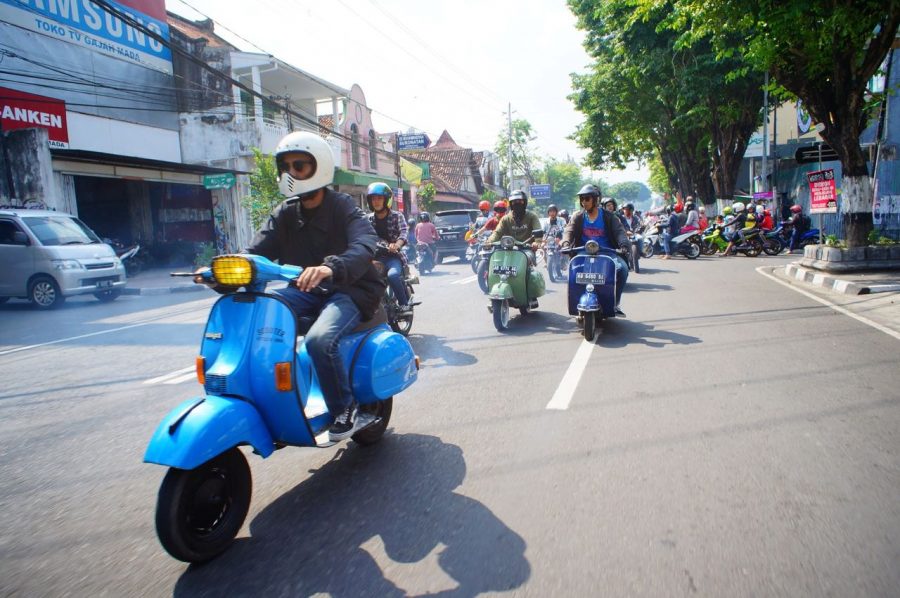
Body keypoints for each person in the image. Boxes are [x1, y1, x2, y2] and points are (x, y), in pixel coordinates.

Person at [198, 131, 385, 441]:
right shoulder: (285, 212)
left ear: (319, 166)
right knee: (260, 319)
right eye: (285, 167)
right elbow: (254, 253)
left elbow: (365, 244)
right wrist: (221, 271)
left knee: (319, 340)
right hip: (305, 291)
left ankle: (344, 407)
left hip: (348, 290)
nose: (290, 174)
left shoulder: (343, 206)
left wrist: (330, 267)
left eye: (299, 166)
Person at [562, 184, 629, 316]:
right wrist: (565, 243)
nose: (584, 202)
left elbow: (619, 232)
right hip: (583, 252)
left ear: (596, 200)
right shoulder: (578, 216)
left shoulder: (609, 217)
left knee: (623, 270)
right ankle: (576, 300)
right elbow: (569, 230)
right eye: (582, 199)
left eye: (587, 198)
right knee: (573, 273)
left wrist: (623, 244)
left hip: (607, 253)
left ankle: (615, 302)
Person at [365, 182, 412, 314]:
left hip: (394, 257)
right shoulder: (368, 219)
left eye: (379, 198)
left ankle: (404, 305)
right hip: (375, 258)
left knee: (392, 276)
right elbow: (365, 234)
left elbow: (404, 231)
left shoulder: (397, 216)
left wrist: (397, 244)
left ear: (386, 200)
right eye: (373, 198)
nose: (376, 201)